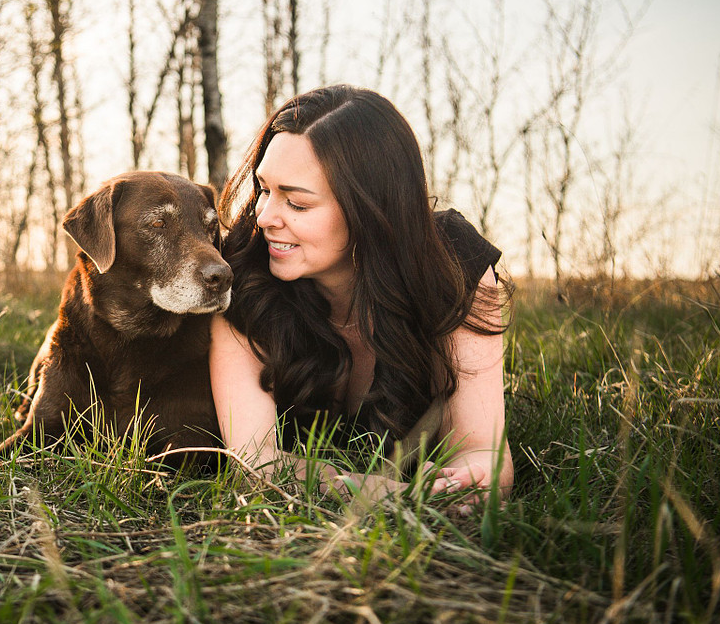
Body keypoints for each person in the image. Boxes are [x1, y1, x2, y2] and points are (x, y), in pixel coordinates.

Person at [209, 85, 513, 506]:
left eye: (296, 203)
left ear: (370, 209)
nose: (264, 217)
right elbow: (254, 464)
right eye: (263, 188)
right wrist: (387, 493)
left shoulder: (450, 265)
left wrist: (463, 488)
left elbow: (482, 452)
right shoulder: (243, 276)